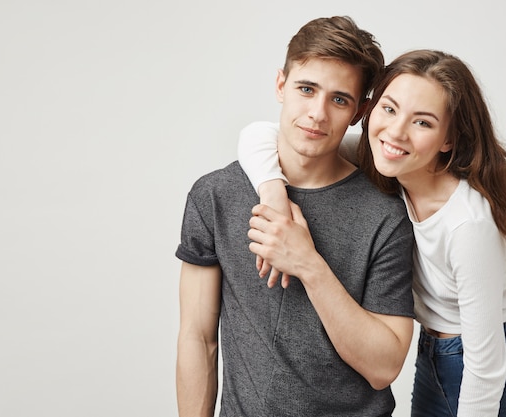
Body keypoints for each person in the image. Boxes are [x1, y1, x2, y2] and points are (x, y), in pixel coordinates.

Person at [238, 50, 506, 417]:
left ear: (448, 139)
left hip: (499, 366)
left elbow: (486, 366)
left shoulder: (468, 225)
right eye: (389, 109)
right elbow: (260, 135)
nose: (396, 131)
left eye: (422, 123)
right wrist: (274, 194)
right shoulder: (385, 160)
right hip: (436, 356)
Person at [176, 16, 416, 417]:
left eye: (339, 99)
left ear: (358, 113)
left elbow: (383, 367)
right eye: (307, 89)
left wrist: (308, 264)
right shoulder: (216, 195)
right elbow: (197, 338)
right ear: (281, 85)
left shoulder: (385, 213)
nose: (318, 114)